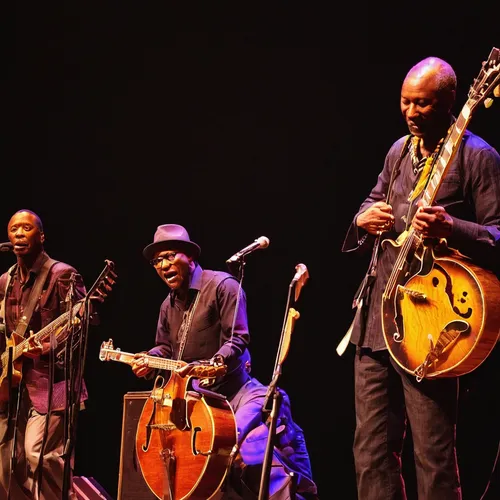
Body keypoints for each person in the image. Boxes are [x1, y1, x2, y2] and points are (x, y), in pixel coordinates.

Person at [341, 56, 500, 499]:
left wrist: (453, 228)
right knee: (370, 449)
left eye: (424, 104)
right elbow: (371, 202)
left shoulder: (478, 157)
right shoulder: (398, 152)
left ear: (450, 102)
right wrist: (363, 218)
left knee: (432, 450)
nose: (412, 113)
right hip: (377, 318)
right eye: (406, 102)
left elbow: (498, 234)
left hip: (430, 323)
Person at [132, 223, 318, 499]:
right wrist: (149, 360)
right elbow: (165, 349)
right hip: (202, 404)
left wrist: (215, 362)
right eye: (157, 261)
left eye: (170, 256)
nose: (163, 265)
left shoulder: (222, 285)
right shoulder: (167, 306)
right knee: (200, 466)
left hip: (241, 394)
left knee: (235, 447)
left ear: (189, 257)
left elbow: (238, 339)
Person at [0, 209, 88, 500]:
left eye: (27, 228)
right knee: (6, 464)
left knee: (41, 456)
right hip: (13, 385)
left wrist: (47, 347)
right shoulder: (6, 280)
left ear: (41, 236)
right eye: (14, 230)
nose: (20, 234)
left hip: (54, 382)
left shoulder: (62, 274)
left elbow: (78, 325)